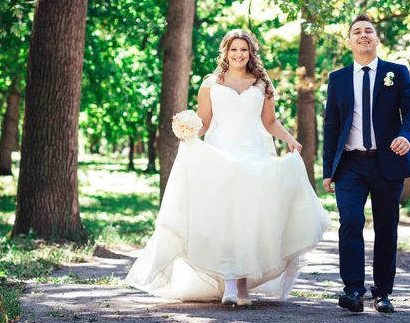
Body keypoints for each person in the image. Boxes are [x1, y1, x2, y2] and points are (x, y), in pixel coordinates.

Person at [125, 29, 330, 306]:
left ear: (251, 52)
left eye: (244, 49)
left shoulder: (262, 83)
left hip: (253, 158)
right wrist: (189, 134)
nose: (239, 54)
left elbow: (269, 122)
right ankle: (229, 284)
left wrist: (291, 140)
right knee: (223, 219)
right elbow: (205, 122)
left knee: (248, 220)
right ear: (225, 51)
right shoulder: (211, 84)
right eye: (234, 49)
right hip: (219, 156)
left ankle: (243, 287)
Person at [323, 14, 410, 314]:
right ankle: (353, 290)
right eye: (357, 32)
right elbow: (331, 126)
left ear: (377, 39)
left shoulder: (397, 72)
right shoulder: (337, 79)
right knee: (350, 221)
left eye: (368, 31)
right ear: (349, 41)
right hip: (350, 164)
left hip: (387, 162)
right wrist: (328, 171)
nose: (363, 35)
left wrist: (406, 136)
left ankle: (383, 293)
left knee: (386, 227)